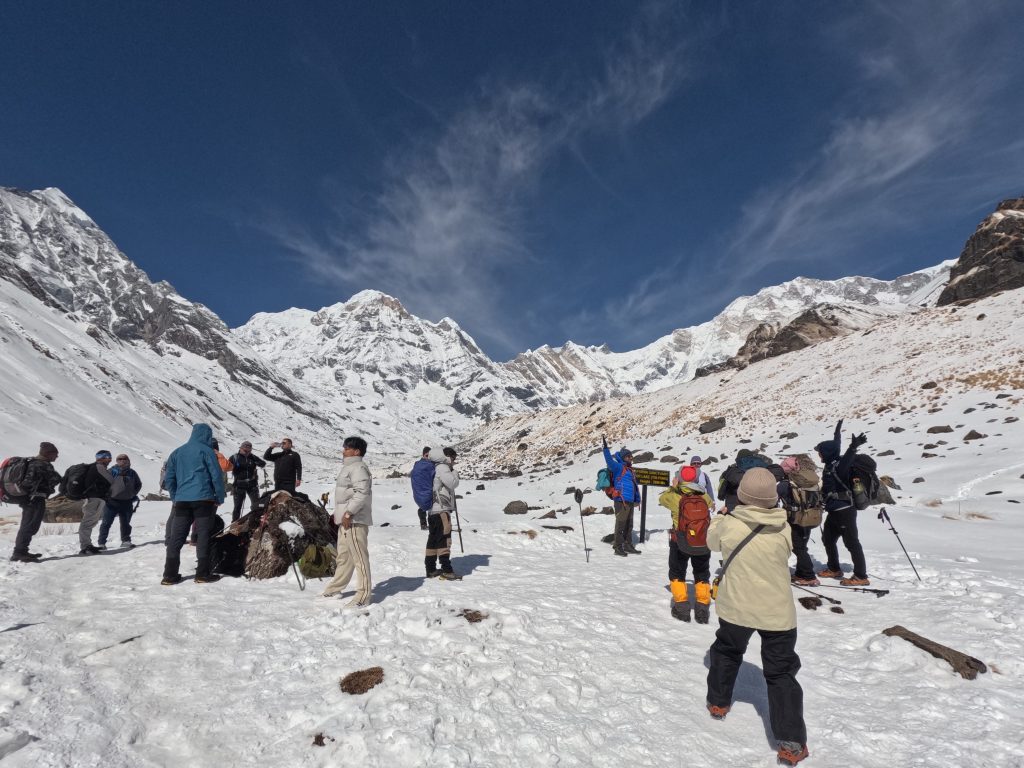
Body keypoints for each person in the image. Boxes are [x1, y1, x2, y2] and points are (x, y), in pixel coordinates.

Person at [706, 467, 809, 766]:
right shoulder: (784, 527)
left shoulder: (730, 524)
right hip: (776, 611)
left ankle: (718, 702)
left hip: (736, 605)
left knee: (726, 651)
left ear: (741, 496)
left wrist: (722, 515)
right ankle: (791, 742)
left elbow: (712, 542)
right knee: (781, 673)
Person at [161, 423, 226, 585]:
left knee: (177, 536)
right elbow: (216, 475)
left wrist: (176, 496)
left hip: (182, 500)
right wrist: (219, 496)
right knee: (203, 535)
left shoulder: (177, 452)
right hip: (204, 500)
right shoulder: (207, 451)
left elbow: (169, 479)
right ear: (206, 435)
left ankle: (169, 575)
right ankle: (202, 574)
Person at [815, 420, 870, 586]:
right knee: (828, 539)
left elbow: (846, 458)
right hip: (834, 511)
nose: (819, 455)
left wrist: (853, 447)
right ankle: (833, 568)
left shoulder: (839, 466)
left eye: (820, 452)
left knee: (852, 543)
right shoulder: (830, 463)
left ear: (827, 453)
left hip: (845, 510)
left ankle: (861, 576)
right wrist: (837, 430)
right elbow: (836, 444)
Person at [321, 437, 374, 606]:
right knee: (344, 556)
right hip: (345, 519)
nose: (343, 450)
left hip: (354, 519)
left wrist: (348, 513)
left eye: (346, 448)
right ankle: (335, 588)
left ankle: (363, 595)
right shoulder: (349, 467)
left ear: (356, 451)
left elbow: (361, 493)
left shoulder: (358, 467)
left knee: (359, 557)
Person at [669, 465, 714, 623]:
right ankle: (702, 611)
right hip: (702, 540)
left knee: (677, 573)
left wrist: (673, 488)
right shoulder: (704, 496)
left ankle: (682, 609)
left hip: (679, 540)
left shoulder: (674, 496)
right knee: (702, 574)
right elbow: (711, 505)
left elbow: (662, 499)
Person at [8, 442, 62, 562]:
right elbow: (56, 478)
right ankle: (19, 553)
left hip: (28, 499)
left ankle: (22, 550)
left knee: (27, 525)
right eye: (55, 454)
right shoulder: (42, 465)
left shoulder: (32, 462)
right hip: (35, 499)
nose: (57, 457)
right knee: (29, 526)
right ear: (48, 454)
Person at [778, 455, 819, 586]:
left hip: (795, 518)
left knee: (798, 547)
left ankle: (809, 576)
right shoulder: (807, 481)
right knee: (802, 544)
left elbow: (775, 497)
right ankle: (801, 573)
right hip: (810, 516)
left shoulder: (786, 484)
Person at [424, 447, 461, 580]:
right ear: (448, 457)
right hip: (441, 510)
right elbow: (452, 483)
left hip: (432, 510)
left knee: (433, 539)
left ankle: (430, 569)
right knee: (445, 539)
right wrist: (455, 473)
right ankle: (447, 570)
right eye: (453, 458)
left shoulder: (434, 466)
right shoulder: (443, 467)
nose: (454, 462)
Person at [602, 436, 641, 556]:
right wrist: (605, 449)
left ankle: (628, 545)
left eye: (631, 457)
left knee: (629, 524)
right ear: (623, 457)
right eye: (628, 456)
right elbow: (609, 461)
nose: (630, 458)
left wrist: (637, 500)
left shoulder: (630, 471)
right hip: (621, 500)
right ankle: (618, 547)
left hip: (629, 501)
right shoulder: (618, 467)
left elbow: (634, 487)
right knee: (621, 524)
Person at [97, 454, 142, 550]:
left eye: (125, 459)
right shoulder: (111, 471)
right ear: (117, 461)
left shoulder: (132, 473)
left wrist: (132, 494)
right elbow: (103, 484)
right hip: (111, 501)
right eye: (120, 459)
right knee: (106, 523)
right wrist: (107, 496)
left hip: (127, 501)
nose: (123, 460)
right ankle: (101, 543)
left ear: (128, 460)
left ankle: (126, 540)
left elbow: (138, 484)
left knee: (126, 522)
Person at [79, 451, 114, 555]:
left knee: (90, 522)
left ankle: (87, 545)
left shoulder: (98, 467)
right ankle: (85, 547)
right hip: (94, 498)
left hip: (95, 498)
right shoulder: (99, 467)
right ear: (100, 458)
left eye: (110, 457)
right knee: (87, 522)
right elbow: (111, 480)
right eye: (107, 457)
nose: (110, 459)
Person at [228, 441, 266, 521]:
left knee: (257, 504)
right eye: (245, 450)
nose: (247, 452)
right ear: (241, 448)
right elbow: (227, 467)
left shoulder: (253, 457)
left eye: (249, 450)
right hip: (239, 485)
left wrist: (256, 461)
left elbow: (263, 464)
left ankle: (256, 520)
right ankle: (234, 524)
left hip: (252, 485)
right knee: (237, 506)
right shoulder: (234, 457)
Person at [410, 446, 433, 530]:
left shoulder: (417, 465)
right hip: (422, 493)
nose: (428, 458)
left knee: (423, 507)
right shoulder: (430, 466)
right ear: (423, 455)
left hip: (419, 494)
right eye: (427, 456)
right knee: (429, 507)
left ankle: (424, 523)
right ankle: (427, 524)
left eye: (430, 456)